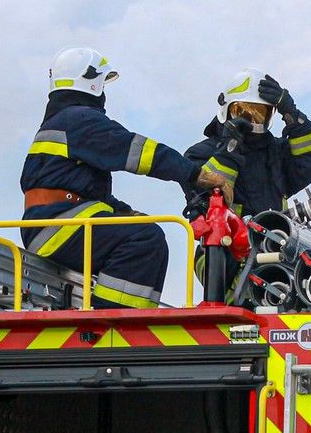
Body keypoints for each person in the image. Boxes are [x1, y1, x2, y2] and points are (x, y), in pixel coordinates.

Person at [20, 47, 235, 309]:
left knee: (140, 229)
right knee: (144, 239)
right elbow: (139, 151)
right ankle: (113, 318)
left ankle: (117, 313)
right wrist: (195, 174)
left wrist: (124, 211)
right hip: (57, 226)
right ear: (93, 83)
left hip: (55, 222)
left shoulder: (65, 122)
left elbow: (88, 193)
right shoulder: (80, 119)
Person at [187, 70, 311, 219]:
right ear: (226, 108)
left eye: (259, 114)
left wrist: (293, 115)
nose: (250, 121)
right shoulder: (198, 155)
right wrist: (229, 148)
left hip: (280, 239)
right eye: (242, 112)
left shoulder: (275, 151)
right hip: (227, 241)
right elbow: (206, 198)